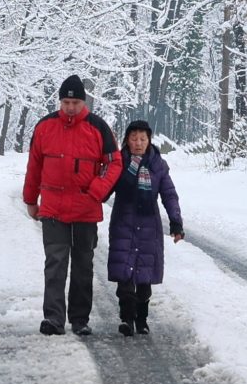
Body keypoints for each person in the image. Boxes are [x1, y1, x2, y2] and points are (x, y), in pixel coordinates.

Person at [21, 75, 118, 336]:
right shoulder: (44, 127)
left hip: (86, 210)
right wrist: (30, 200)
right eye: (65, 101)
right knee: (55, 264)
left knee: (83, 266)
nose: (70, 107)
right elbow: (34, 166)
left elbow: (113, 163)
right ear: (60, 101)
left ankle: (79, 319)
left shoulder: (99, 127)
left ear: (83, 102)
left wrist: (96, 191)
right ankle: (53, 319)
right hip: (53, 209)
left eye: (75, 102)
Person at [105, 120, 182, 335]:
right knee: (125, 276)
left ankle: (142, 319)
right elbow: (104, 189)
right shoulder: (118, 163)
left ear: (149, 140)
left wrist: (176, 222)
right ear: (127, 140)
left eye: (142, 139)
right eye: (134, 138)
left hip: (149, 227)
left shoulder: (158, 165)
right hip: (123, 224)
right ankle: (127, 319)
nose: (138, 143)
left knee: (144, 278)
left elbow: (169, 195)